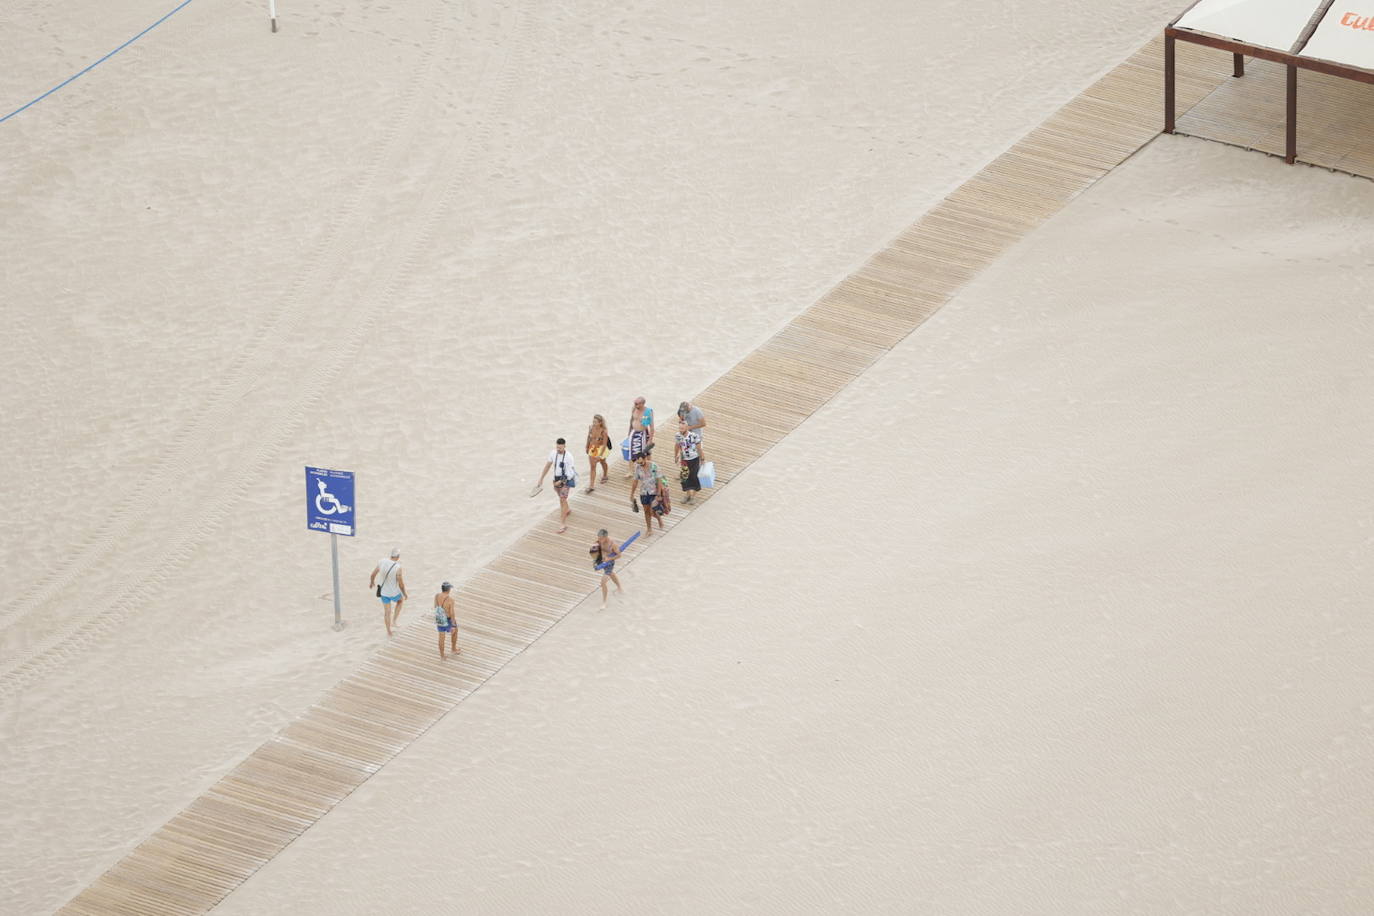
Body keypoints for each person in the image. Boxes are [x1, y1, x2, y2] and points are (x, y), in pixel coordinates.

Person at [536, 438, 577, 533]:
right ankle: (567, 509)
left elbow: (570, 473)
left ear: (564, 446)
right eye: (557, 447)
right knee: (562, 499)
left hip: (566, 480)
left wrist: (561, 482)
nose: (558, 449)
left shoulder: (569, 457)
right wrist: (541, 478)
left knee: (562, 500)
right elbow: (548, 465)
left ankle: (562, 524)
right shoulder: (553, 453)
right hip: (556, 479)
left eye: (560, 448)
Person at [368, 548, 407, 637]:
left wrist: (372, 582)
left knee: (387, 612)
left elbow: (373, 574)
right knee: (400, 601)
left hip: (383, 593)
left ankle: (389, 631)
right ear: (398, 557)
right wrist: (404, 593)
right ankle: (394, 621)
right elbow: (401, 584)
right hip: (393, 592)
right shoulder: (398, 567)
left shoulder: (382, 561)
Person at [630, 453, 666, 536]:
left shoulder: (654, 466)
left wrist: (659, 494)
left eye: (642, 462)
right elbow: (635, 481)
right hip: (644, 492)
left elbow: (659, 480)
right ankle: (649, 529)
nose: (640, 464)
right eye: (639, 463)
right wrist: (632, 493)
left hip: (654, 491)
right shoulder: (637, 467)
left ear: (645, 458)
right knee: (646, 511)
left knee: (653, 510)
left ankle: (659, 519)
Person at [589, 529, 625, 610]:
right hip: (602, 561)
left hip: (609, 563)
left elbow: (619, 555)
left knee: (603, 583)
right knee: (611, 574)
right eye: (598, 537)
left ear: (606, 537)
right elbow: (594, 552)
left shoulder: (613, 544)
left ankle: (604, 602)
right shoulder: (598, 541)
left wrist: (609, 559)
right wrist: (595, 560)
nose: (599, 539)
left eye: (601, 538)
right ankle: (619, 587)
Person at [674, 417, 704, 503]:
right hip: (684, 459)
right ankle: (687, 494)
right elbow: (677, 446)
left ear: (687, 427)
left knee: (694, 476)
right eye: (680, 428)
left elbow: (699, 448)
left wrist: (702, 458)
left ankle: (693, 496)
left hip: (694, 459)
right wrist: (676, 456)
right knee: (684, 477)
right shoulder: (678, 435)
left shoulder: (694, 436)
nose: (681, 430)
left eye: (683, 428)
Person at [624, 397, 655, 476]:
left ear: (642, 404)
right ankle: (630, 471)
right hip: (634, 432)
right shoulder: (634, 409)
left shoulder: (648, 412)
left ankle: (649, 468)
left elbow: (651, 427)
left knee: (646, 452)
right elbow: (631, 421)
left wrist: (650, 440)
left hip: (643, 433)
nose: (635, 405)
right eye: (635, 403)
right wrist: (629, 433)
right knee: (631, 451)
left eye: (637, 404)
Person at [432, 581, 459, 660]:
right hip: (448, 619)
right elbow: (452, 613)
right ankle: (453, 649)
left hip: (439, 619)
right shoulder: (450, 600)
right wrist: (453, 625)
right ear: (448, 590)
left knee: (441, 637)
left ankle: (442, 656)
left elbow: (435, 606)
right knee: (455, 632)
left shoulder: (436, 596)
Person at [585, 414, 611, 493]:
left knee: (603, 462)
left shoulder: (604, 431)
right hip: (592, 448)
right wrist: (586, 446)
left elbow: (604, 444)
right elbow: (588, 437)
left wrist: (600, 455)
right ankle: (591, 485)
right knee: (592, 466)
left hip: (601, 449)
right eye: (593, 421)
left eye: (595, 422)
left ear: (600, 423)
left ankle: (605, 475)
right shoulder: (591, 427)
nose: (593, 423)